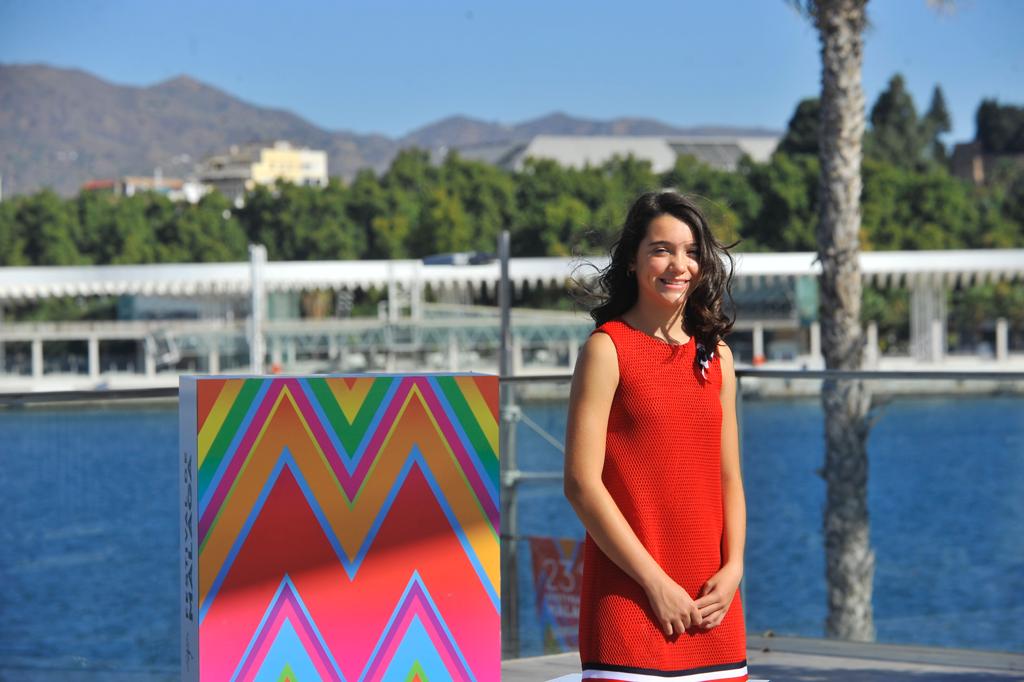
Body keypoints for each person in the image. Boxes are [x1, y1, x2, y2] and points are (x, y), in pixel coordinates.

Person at [564, 190, 748, 681]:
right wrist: (655, 584)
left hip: (714, 608)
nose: (678, 265)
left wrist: (734, 572)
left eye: (691, 252)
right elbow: (582, 485)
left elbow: (729, 478)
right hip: (629, 604)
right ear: (631, 260)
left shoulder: (719, 358)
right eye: (662, 249)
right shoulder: (607, 350)